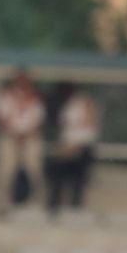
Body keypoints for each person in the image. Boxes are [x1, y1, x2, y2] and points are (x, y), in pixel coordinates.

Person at [0, 70, 45, 213]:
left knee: (34, 168)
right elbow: (0, 119)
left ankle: (37, 204)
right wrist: (15, 135)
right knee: (5, 170)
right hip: (10, 136)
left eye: (25, 80)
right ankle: (2, 204)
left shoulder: (35, 98)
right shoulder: (5, 96)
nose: (22, 83)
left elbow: (38, 122)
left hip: (30, 137)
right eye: (20, 80)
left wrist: (25, 136)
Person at [45, 84, 99, 213]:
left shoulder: (85, 103)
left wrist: (75, 146)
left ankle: (76, 206)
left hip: (82, 147)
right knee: (56, 172)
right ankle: (54, 205)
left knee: (78, 176)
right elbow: (65, 131)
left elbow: (89, 127)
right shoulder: (67, 108)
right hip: (67, 148)